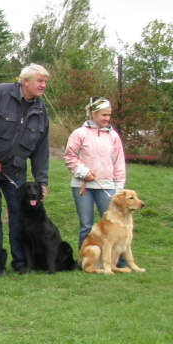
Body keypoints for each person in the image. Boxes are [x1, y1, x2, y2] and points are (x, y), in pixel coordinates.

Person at [0, 64, 51, 273]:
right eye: (40, 81)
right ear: (26, 81)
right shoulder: (0, 93)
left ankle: (21, 262)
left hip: (15, 172)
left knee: (19, 215)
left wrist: (42, 181)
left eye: (45, 82)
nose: (43, 85)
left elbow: (42, 148)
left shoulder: (41, 110)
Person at [64, 97, 126, 248]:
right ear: (93, 114)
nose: (107, 118)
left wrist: (119, 187)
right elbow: (69, 156)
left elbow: (119, 162)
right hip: (83, 187)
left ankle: (117, 261)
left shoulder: (113, 136)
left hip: (107, 186)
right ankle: (84, 261)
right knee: (86, 225)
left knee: (113, 224)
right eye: (103, 115)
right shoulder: (79, 133)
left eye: (109, 115)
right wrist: (82, 171)